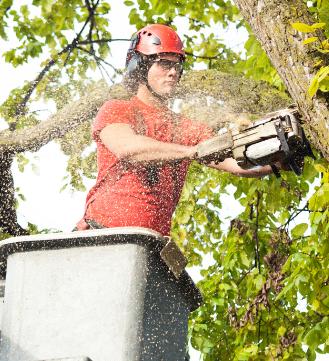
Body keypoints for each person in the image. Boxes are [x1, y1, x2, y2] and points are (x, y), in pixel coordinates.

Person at [76, 24, 278, 236]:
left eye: (177, 66)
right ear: (140, 67)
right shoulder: (119, 109)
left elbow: (236, 164)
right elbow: (128, 149)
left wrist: (276, 161)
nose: (173, 72)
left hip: (151, 245)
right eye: (164, 64)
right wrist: (191, 152)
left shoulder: (189, 128)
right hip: (100, 236)